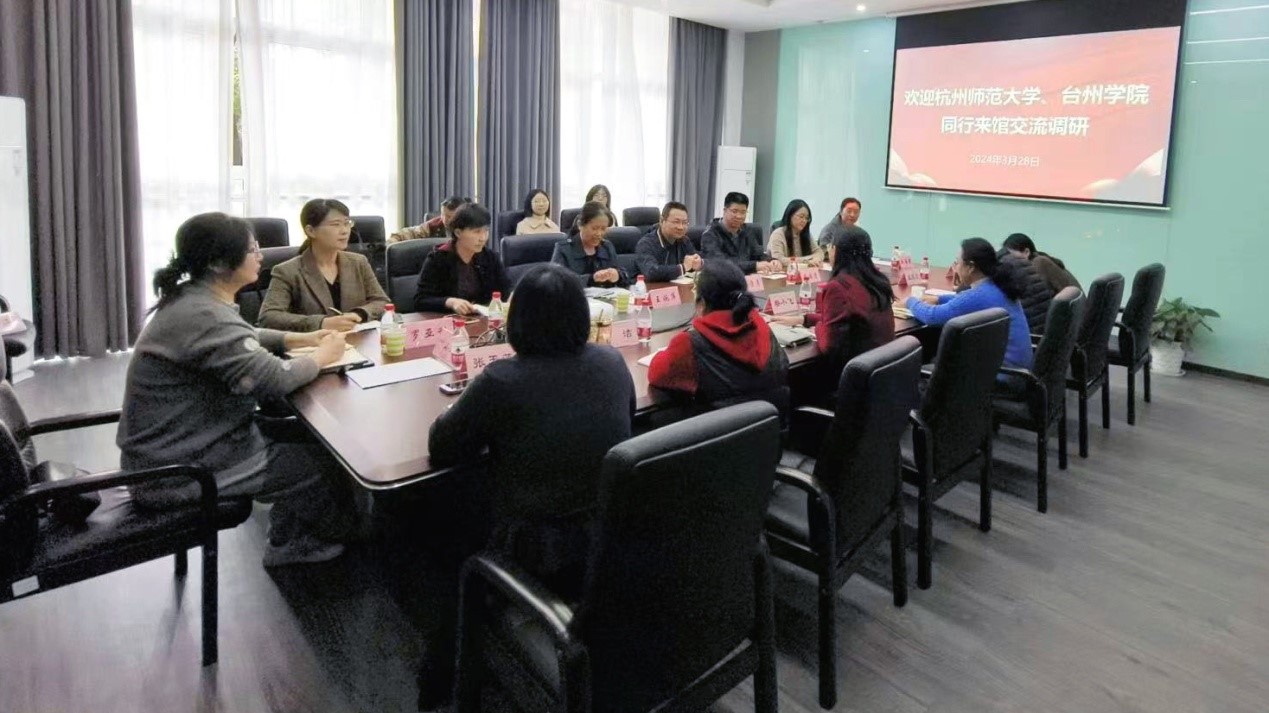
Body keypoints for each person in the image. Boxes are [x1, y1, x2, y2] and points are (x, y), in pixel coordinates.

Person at [422, 263, 636, 708]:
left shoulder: (503, 379)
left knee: (443, 521)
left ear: (516, 322)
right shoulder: (612, 361)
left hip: (534, 546)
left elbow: (443, 446)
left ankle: (447, 676)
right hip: (607, 535)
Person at [117, 212, 355, 567]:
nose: (260, 255)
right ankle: (297, 545)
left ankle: (292, 532)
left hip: (178, 447)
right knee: (321, 466)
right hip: (181, 471)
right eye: (252, 249)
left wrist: (298, 338)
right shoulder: (205, 315)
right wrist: (322, 356)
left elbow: (244, 335)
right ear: (217, 262)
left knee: (308, 440)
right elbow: (273, 379)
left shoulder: (195, 300)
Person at [649, 259, 789, 421]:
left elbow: (656, 374)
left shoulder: (689, 343)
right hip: (770, 432)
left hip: (716, 433)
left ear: (701, 303)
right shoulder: (762, 328)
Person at [773, 226, 894, 371]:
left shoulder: (839, 287)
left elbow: (828, 346)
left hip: (850, 375)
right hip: (878, 372)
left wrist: (818, 326)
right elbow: (847, 319)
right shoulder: (877, 281)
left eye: (830, 247)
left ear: (836, 250)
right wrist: (804, 319)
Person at [258, 198, 388, 332]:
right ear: (311, 231)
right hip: (313, 342)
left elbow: (382, 301)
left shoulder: (358, 262)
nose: (344, 231)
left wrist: (360, 313)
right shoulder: (288, 271)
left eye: (347, 223)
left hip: (356, 339)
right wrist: (321, 323)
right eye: (335, 224)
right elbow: (268, 317)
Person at [906, 237, 1034, 369]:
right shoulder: (998, 285)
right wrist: (939, 299)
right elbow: (965, 300)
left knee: (922, 369)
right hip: (1015, 368)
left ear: (971, 267)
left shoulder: (978, 295)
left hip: (1002, 373)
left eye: (957, 263)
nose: (955, 268)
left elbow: (932, 316)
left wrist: (910, 301)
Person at [414, 202, 510, 315]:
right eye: (477, 232)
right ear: (458, 233)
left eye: (486, 230)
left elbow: (505, 291)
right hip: (448, 320)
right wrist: (450, 302)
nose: (483, 238)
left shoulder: (490, 257)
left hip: (481, 319)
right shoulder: (438, 259)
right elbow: (420, 300)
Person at [701, 192, 781, 275]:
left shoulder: (747, 231)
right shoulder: (710, 234)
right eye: (734, 211)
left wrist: (772, 261)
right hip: (723, 280)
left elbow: (758, 254)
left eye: (743, 212)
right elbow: (721, 264)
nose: (739, 216)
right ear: (725, 210)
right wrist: (755, 266)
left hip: (749, 278)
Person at [551, 201, 629, 287]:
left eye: (603, 229)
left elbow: (624, 275)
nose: (599, 233)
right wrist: (591, 279)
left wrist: (618, 276)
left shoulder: (607, 247)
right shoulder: (563, 249)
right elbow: (556, 282)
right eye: (594, 228)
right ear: (580, 225)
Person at [634, 201, 701, 281]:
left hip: (677, 287)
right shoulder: (646, 244)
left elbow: (695, 260)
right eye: (676, 222)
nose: (681, 227)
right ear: (662, 221)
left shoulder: (684, 241)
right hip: (650, 288)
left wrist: (698, 262)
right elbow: (651, 272)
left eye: (685, 223)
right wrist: (683, 268)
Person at [1003, 232, 1081, 293]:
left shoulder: (1039, 262)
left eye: (1010, 255)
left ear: (1026, 252)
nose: (1008, 259)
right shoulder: (1040, 259)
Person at [768, 199, 823, 267]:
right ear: (790, 215)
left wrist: (816, 259)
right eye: (801, 217)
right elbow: (779, 259)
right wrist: (807, 260)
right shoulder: (778, 234)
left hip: (801, 272)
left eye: (806, 218)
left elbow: (819, 252)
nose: (804, 221)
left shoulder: (805, 234)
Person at [389, 195, 467, 242]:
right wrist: (394, 239)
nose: (444, 220)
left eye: (449, 216)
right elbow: (412, 232)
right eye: (443, 215)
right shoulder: (435, 224)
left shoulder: (469, 227)